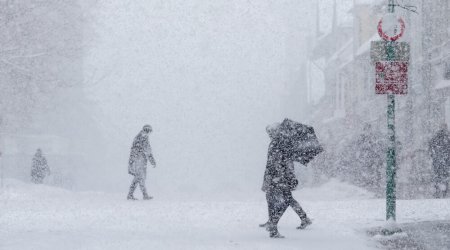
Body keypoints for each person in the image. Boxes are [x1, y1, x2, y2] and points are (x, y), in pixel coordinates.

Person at [261, 124, 312, 238]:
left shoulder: (279, 144)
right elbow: (275, 163)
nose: (269, 134)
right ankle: (301, 218)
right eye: (268, 132)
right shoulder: (278, 143)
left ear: (275, 132)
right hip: (276, 177)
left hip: (279, 178)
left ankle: (273, 225)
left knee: (283, 200)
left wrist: (285, 177)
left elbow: (282, 163)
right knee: (279, 199)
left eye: (270, 132)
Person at [127, 124, 156, 200]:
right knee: (140, 178)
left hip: (138, 161)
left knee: (138, 178)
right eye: (149, 131)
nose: (149, 133)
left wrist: (131, 161)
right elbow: (147, 151)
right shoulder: (143, 138)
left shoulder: (140, 137)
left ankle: (134, 194)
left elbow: (134, 150)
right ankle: (142, 195)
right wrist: (152, 160)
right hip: (139, 161)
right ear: (147, 130)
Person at [428, 123, 450, 198]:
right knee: (445, 177)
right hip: (445, 161)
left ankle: (437, 192)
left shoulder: (436, 137)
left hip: (439, 161)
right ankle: (443, 192)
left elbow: (430, 147)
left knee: (438, 177)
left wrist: (433, 156)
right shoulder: (447, 137)